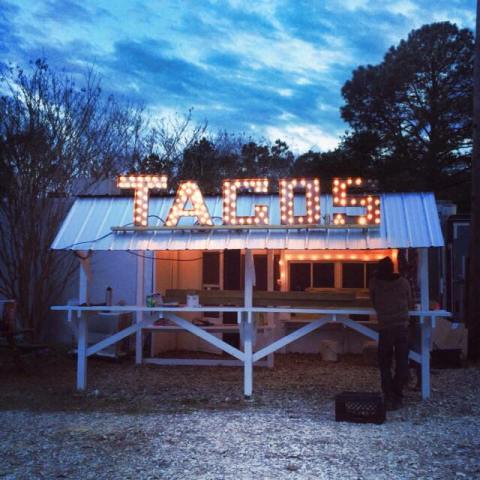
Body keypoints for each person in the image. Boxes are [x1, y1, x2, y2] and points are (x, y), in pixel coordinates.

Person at [369, 257, 413, 410]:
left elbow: (373, 301)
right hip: (402, 326)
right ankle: (397, 394)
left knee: (384, 363)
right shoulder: (403, 283)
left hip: (385, 327)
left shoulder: (375, 283)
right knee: (402, 363)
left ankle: (389, 395)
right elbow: (410, 302)